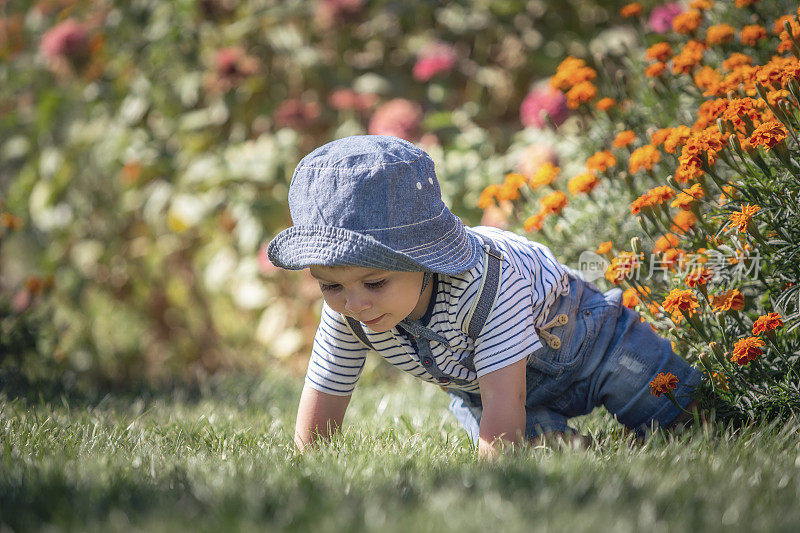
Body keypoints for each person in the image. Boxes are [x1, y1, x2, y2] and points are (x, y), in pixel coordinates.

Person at [266, 135, 701, 457]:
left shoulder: (486, 282)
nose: (355, 304)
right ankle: (569, 442)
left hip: (583, 339)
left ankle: (673, 409)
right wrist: (310, 464)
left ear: (424, 260)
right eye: (331, 286)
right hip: (486, 386)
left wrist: (487, 487)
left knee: (678, 415)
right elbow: (326, 389)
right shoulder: (347, 312)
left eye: (375, 283)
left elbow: (504, 398)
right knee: (539, 454)